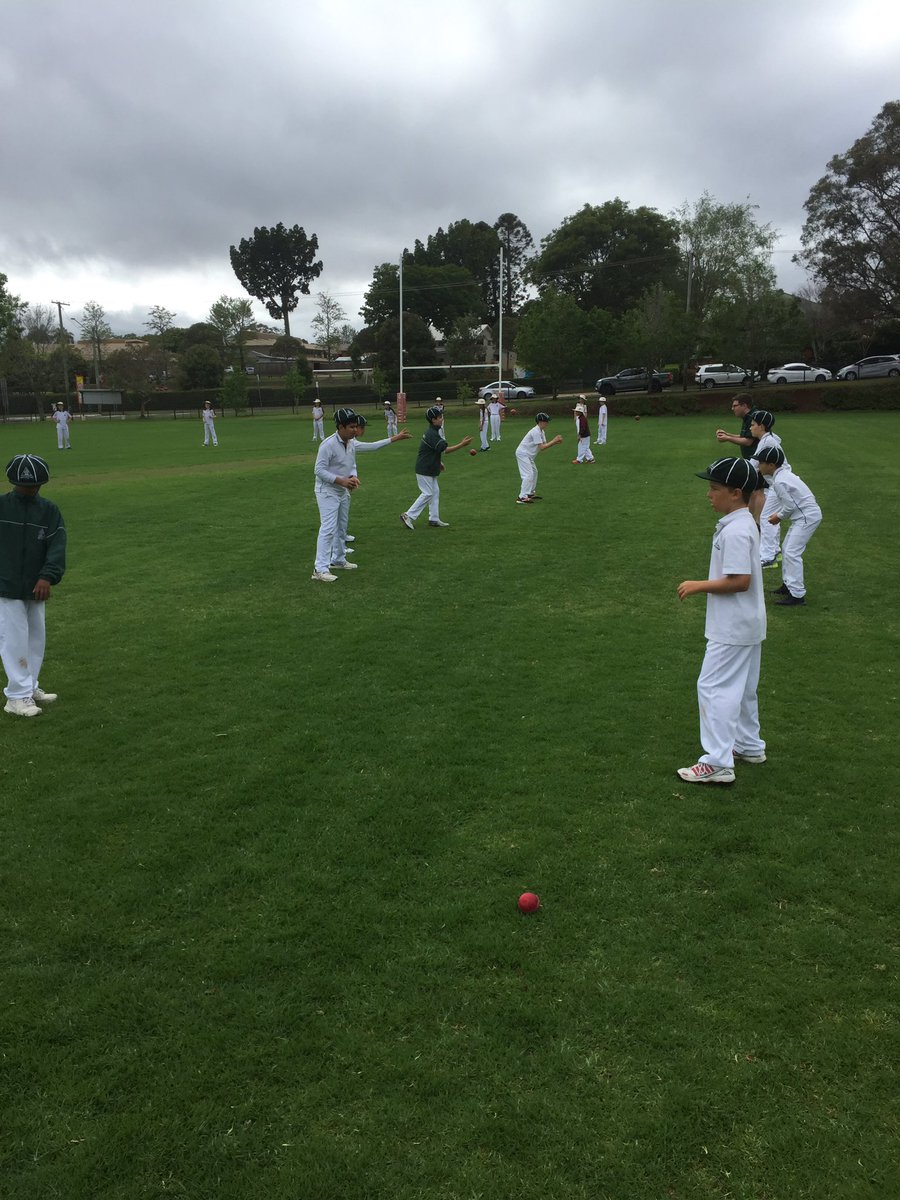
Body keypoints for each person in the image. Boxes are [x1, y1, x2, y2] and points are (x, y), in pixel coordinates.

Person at [675, 456, 767, 784]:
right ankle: (749, 746)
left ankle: (717, 761)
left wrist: (698, 585)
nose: (708, 495)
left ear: (735, 493)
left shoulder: (738, 531)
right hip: (746, 624)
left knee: (712, 686)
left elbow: (739, 580)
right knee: (742, 689)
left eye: (714, 489)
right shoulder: (739, 523)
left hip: (733, 626)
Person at [1, 454, 67, 718]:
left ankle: (30, 686)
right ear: (13, 482)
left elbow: (57, 546)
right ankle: (16, 698)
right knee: (13, 639)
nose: (29, 489)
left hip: (36, 584)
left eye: (34, 485)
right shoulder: (2, 507)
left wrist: (47, 576)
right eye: (23, 485)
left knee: (35, 638)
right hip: (5, 585)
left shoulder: (49, 510)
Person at [755, 446, 822, 607]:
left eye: (761, 463)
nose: (759, 466)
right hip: (805, 517)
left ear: (771, 465)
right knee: (787, 548)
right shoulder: (783, 476)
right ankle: (788, 585)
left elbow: (790, 506)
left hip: (807, 517)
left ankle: (797, 595)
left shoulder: (779, 482)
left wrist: (778, 517)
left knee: (792, 552)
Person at [400, 406, 471, 530]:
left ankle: (434, 519)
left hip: (430, 467)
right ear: (433, 420)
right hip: (424, 468)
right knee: (427, 493)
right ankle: (408, 515)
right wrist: (462, 444)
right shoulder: (432, 434)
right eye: (439, 417)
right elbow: (445, 450)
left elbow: (434, 451)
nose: (442, 419)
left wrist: (439, 463)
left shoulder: (433, 432)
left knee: (435, 492)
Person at [748, 410, 790, 566]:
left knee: (766, 518)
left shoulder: (767, 442)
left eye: (753, 425)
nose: (750, 428)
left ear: (762, 426)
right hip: (778, 483)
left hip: (780, 483)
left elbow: (754, 466)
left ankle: (766, 557)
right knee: (772, 516)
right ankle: (775, 551)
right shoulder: (767, 439)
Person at [515, 413, 563, 504]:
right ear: (540, 422)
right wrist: (555, 441)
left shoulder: (541, 431)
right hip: (523, 454)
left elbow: (544, 445)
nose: (547, 423)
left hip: (528, 455)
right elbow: (542, 448)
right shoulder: (536, 432)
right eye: (546, 421)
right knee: (528, 474)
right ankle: (522, 497)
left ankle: (530, 493)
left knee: (535, 472)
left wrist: (555, 442)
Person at [715, 394, 758, 459]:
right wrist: (727, 434)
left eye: (735, 406)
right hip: (752, 459)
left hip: (758, 461)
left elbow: (748, 441)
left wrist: (727, 438)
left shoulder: (753, 417)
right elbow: (745, 436)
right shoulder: (748, 417)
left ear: (744, 406)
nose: (732, 409)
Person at [572, 398, 595, 463]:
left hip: (584, 435)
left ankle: (579, 460)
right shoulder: (580, 418)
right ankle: (591, 459)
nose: (575, 412)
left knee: (582, 447)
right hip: (585, 435)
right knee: (585, 447)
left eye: (576, 411)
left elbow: (582, 428)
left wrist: (580, 435)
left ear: (580, 412)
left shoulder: (582, 419)